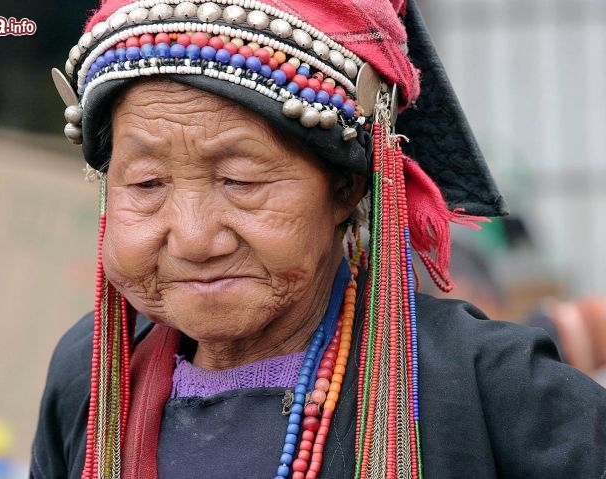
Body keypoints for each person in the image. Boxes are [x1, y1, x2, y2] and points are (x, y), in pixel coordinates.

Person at [32, 1, 606, 478]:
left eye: (240, 181)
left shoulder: (492, 389)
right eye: (147, 183)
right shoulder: (92, 378)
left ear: (346, 189)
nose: (193, 237)